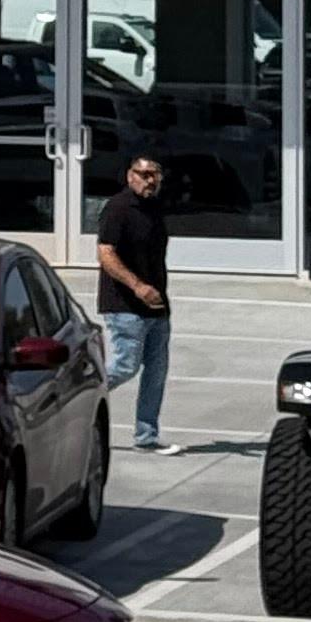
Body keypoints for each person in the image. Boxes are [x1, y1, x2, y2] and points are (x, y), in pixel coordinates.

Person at [96, 151, 173, 451]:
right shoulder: (118, 209)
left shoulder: (154, 209)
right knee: (126, 365)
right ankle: (79, 397)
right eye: (144, 174)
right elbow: (105, 254)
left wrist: (155, 293)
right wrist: (137, 286)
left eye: (155, 174)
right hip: (124, 304)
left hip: (157, 305)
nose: (150, 180)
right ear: (130, 176)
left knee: (156, 371)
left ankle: (146, 436)